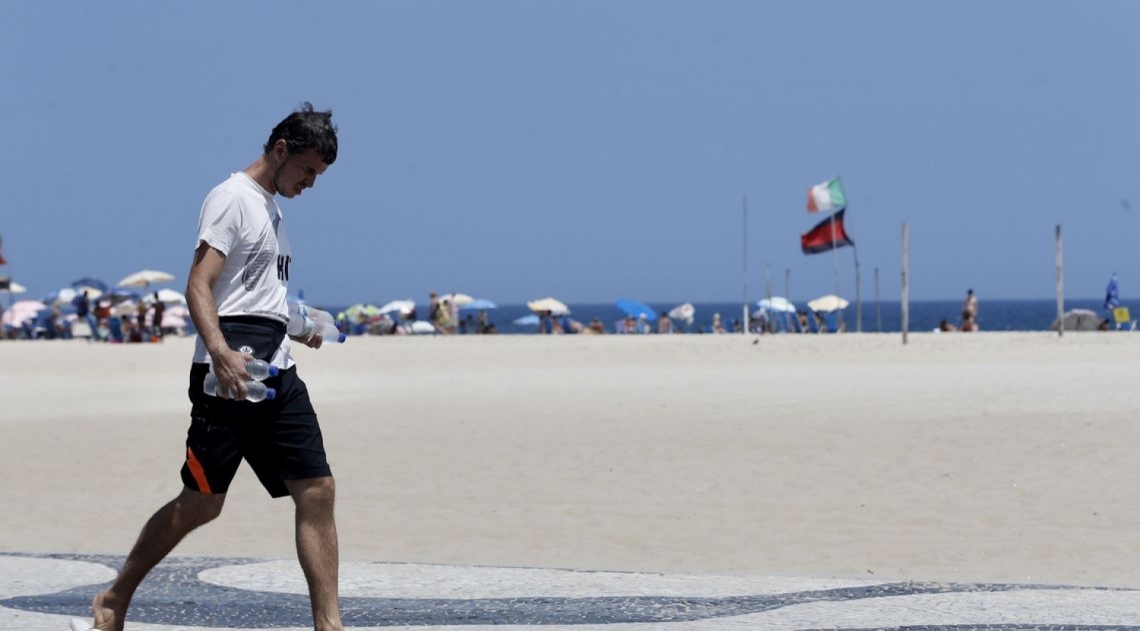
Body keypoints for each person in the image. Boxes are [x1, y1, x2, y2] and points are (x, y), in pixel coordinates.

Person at [75, 104, 344, 631]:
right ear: (281, 149)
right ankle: (114, 597)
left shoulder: (270, 207)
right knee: (202, 503)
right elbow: (199, 285)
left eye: (319, 175)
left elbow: (254, 295)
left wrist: (302, 321)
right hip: (231, 375)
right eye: (308, 170)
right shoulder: (231, 199)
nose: (312, 183)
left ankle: (328, 625)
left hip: (277, 372)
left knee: (317, 489)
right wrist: (219, 352)